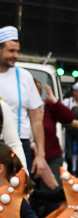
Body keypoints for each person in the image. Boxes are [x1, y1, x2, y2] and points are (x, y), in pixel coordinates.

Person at [0, 26, 46, 180]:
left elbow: (36, 120)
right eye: (11, 51)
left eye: (17, 51)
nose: (15, 55)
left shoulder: (24, 77)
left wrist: (40, 155)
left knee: (19, 195)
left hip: (19, 145)